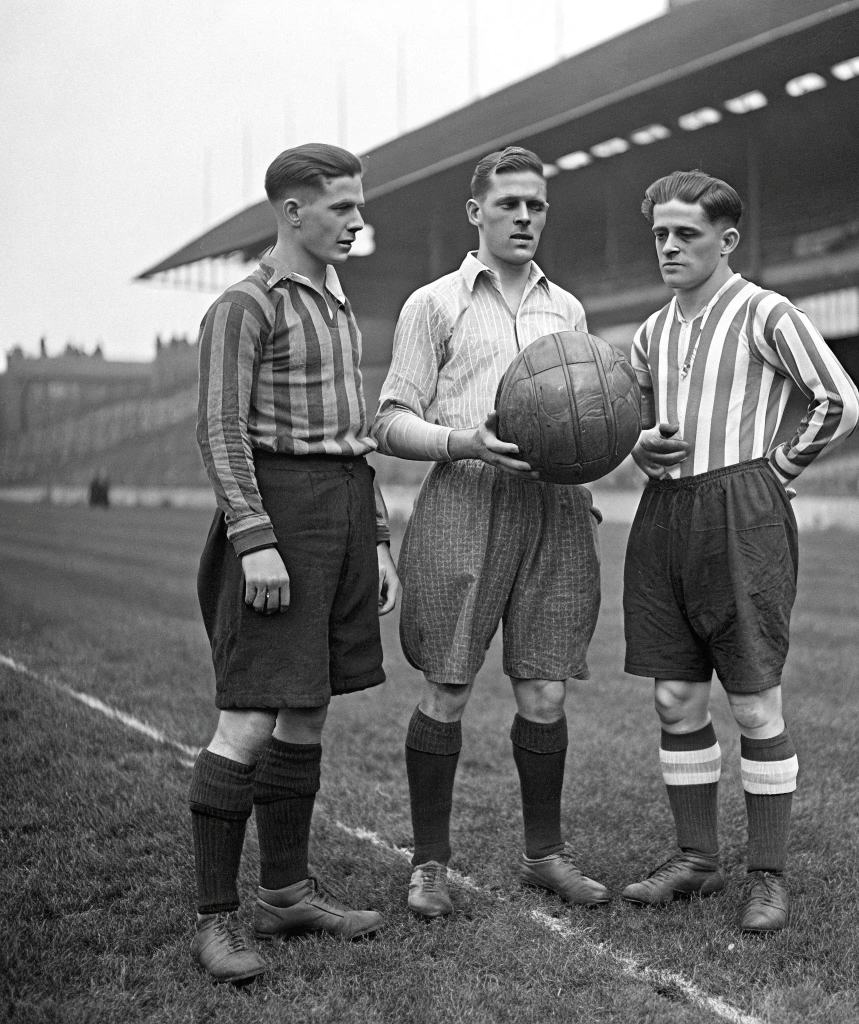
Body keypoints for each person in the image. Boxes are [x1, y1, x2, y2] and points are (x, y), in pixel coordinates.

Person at [621, 170, 859, 932]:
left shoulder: (767, 313)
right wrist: (640, 445)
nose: (668, 246)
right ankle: (695, 858)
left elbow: (840, 399)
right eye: (660, 233)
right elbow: (630, 423)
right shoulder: (649, 332)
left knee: (755, 702)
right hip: (665, 515)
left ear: (726, 240)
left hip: (742, 512)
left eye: (685, 234)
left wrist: (776, 471)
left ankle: (766, 876)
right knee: (674, 697)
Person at [372, 145, 608, 918]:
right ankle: (430, 864)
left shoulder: (565, 310)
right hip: (466, 495)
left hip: (554, 507)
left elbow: (588, 410)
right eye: (509, 204)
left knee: (543, 688)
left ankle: (544, 855)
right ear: (476, 212)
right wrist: (463, 441)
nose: (524, 217)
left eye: (536, 204)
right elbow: (389, 422)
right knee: (449, 683)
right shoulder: (433, 304)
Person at [190, 143, 400, 984]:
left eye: (358, 204)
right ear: (292, 211)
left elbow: (353, 437)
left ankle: (284, 893)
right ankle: (215, 919)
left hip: (344, 510)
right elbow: (221, 429)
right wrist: (256, 539)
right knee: (248, 716)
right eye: (342, 207)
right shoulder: (245, 305)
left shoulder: (339, 304)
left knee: (307, 711)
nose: (357, 220)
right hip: (279, 514)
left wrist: (377, 537)